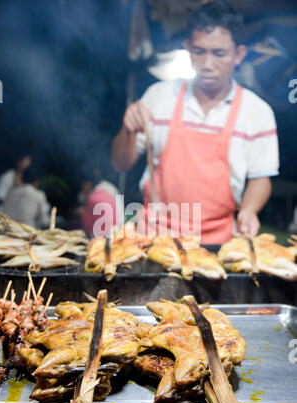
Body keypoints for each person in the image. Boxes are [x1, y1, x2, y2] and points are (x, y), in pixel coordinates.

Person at [111, 0, 279, 243]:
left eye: (219, 53)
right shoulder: (157, 97)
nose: (207, 64)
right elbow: (120, 164)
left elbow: (260, 178)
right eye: (199, 52)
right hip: (153, 237)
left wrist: (249, 210)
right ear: (188, 47)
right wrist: (128, 130)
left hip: (216, 242)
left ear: (239, 54)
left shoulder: (257, 112)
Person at [82, 169, 124, 237]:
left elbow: (87, 226)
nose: (83, 189)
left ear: (87, 184)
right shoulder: (110, 188)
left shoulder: (93, 198)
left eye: (83, 186)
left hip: (100, 239)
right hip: (118, 234)